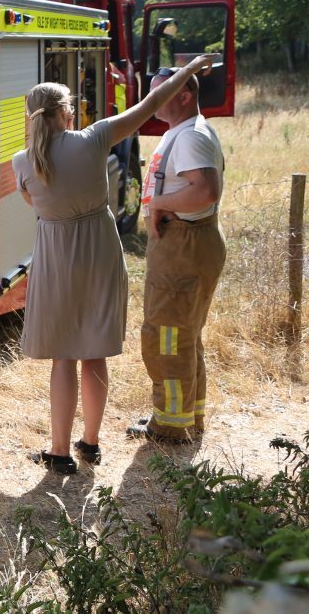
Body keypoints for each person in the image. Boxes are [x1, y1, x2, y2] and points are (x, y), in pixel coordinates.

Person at [12, 54, 215, 475]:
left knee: (63, 357)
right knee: (94, 353)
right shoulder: (94, 138)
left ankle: (59, 451)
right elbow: (149, 103)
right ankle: (91, 443)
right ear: (66, 112)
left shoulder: (21, 161)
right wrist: (191, 69)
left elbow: (35, 203)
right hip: (100, 248)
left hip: (56, 251)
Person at [129, 66, 225, 443]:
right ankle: (187, 416)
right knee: (183, 336)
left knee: (166, 337)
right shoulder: (183, 132)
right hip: (185, 244)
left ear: (184, 95)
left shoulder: (190, 137)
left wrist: (158, 205)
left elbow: (205, 192)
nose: (152, 100)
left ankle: (170, 425)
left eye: (161, 92)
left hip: (184, 245)